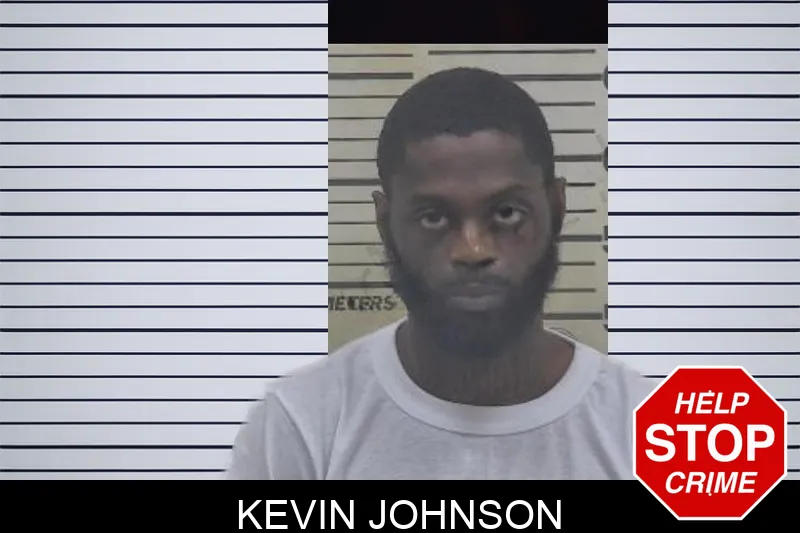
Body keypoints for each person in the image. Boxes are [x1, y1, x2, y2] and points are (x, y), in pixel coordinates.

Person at [226, 67, 654, 480]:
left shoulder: (655, 429)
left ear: (557, 208)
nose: (473, 251)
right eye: (433, 217)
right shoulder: (299, 425)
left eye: (507, 213)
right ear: (385, 222)